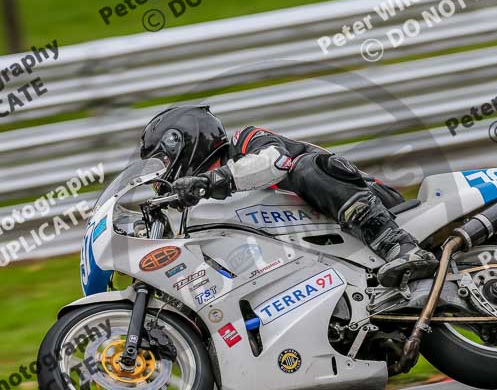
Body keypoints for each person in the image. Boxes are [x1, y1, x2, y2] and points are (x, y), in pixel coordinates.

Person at [139, 105, 438, 287]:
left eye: (162, 161)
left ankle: (398, 246)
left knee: (306, 168)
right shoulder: (200, 208)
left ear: (184, 141)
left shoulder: (244, 140)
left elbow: (275, 161)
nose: (162, 172)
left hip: (375, 202)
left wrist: (211, 180)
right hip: (316, 255)